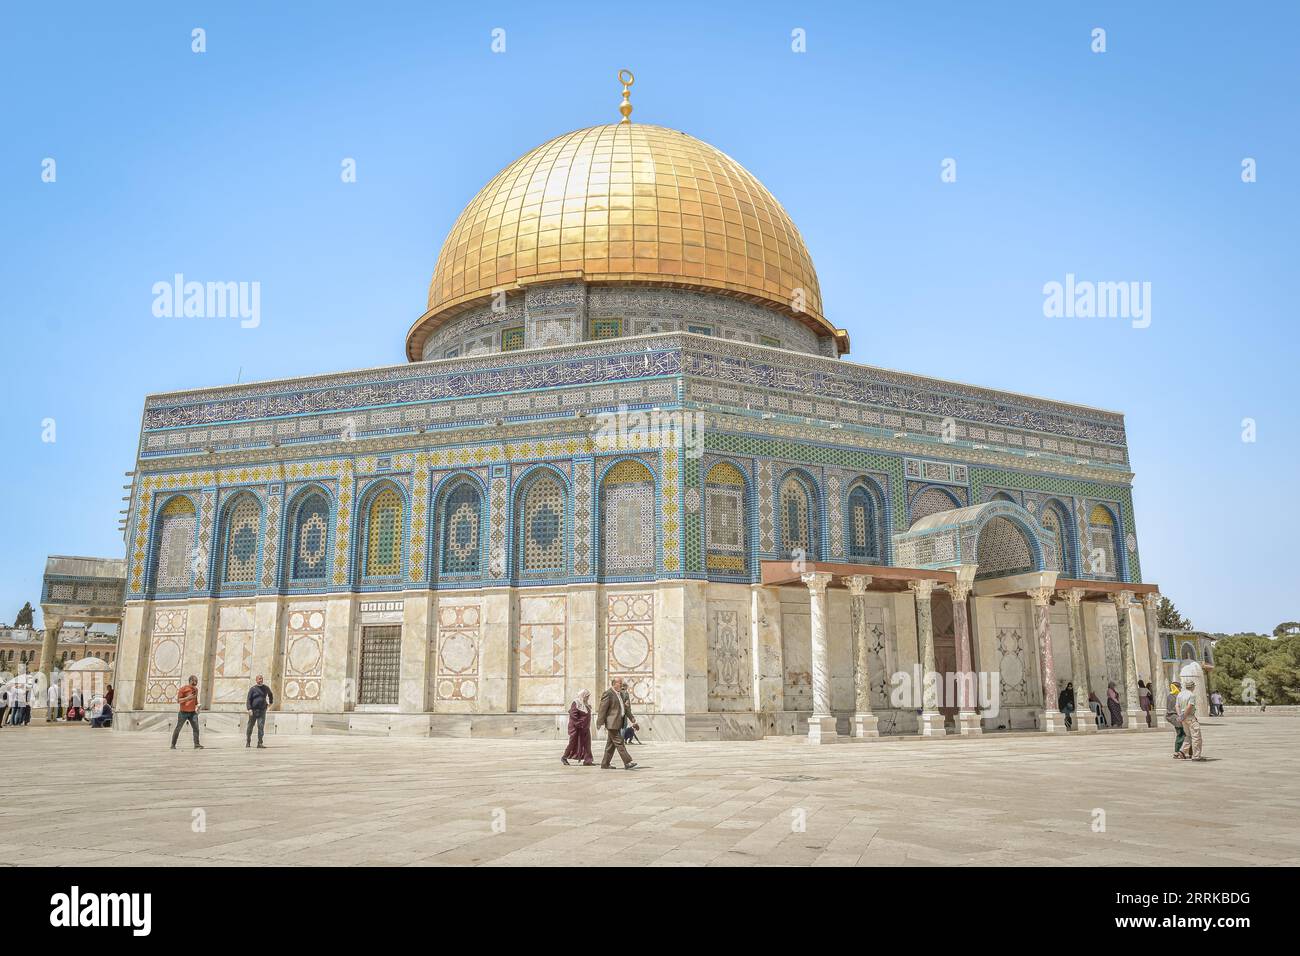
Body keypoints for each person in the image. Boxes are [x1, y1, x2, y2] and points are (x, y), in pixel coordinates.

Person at [597, 677, 638, 770]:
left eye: (622, 683)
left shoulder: (620, 694)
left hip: (618, 722)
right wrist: (600, 722)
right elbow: (602, 709)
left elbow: (625, 708)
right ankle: (627, 762)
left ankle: (605, 764)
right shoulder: (608, 693)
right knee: (619, 742)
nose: (621, 685)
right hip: (612, 723)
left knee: (610, 745)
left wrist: (632, 718)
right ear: (614, 683)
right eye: (620, 683)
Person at [170, 675, 203, 750]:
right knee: (178, 728)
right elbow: (178, 700)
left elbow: (195, 700)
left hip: (192, 713)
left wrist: (198, 706)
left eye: (197, 681)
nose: (196, 683)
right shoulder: (183, 689)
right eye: (195, 681)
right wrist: (187, 698)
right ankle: (173, 744)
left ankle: (196, 744)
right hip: (183, 713)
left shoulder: (196, 690)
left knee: (196, 728)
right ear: (190, 680)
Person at [561, 689, 593, 765]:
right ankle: (564, 757)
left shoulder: (585, 704)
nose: (588, 698)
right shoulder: (576, 702)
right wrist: (579, 723)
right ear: (583, 696)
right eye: (587, 696)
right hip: (576, 728)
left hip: (585, 727)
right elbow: (573, 714)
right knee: (573, 743)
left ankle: (588, 760)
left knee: (587, 744)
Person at [1177, 679, 1204, 760]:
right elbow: (1189, 706)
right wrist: (1184, 715)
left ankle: (1182, 751)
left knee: (1188, 735)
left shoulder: (1180, 694)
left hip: (1183, 717)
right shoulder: (1191, 695)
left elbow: (1177, 706)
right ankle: (1196, 756)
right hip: (1189, 717)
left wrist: (1180, 716)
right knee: (1196, 736)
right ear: (1193, 687)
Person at [245, 674, 273, 748]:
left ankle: (260, 743)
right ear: (256, 680)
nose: (261, 680)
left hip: (262, 710)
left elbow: (270, 694)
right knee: (250, 726)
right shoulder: (253, 689)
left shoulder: (265, 688)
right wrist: (249, 709)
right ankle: (248, 741)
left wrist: (270, 703)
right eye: (259, 679)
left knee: (261, 726)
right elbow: (248, 699)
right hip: (253, 710)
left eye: (262, 679)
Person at [1165, 681, 1184, 756]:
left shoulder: (1169, 696)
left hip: (1172, 716)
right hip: (1176, 717)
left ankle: (1181, 751)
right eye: (1180, 687)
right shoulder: (1178, 696)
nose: (1181, 689)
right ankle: (1178, 751)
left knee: (1181, 733)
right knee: (1181, 734)